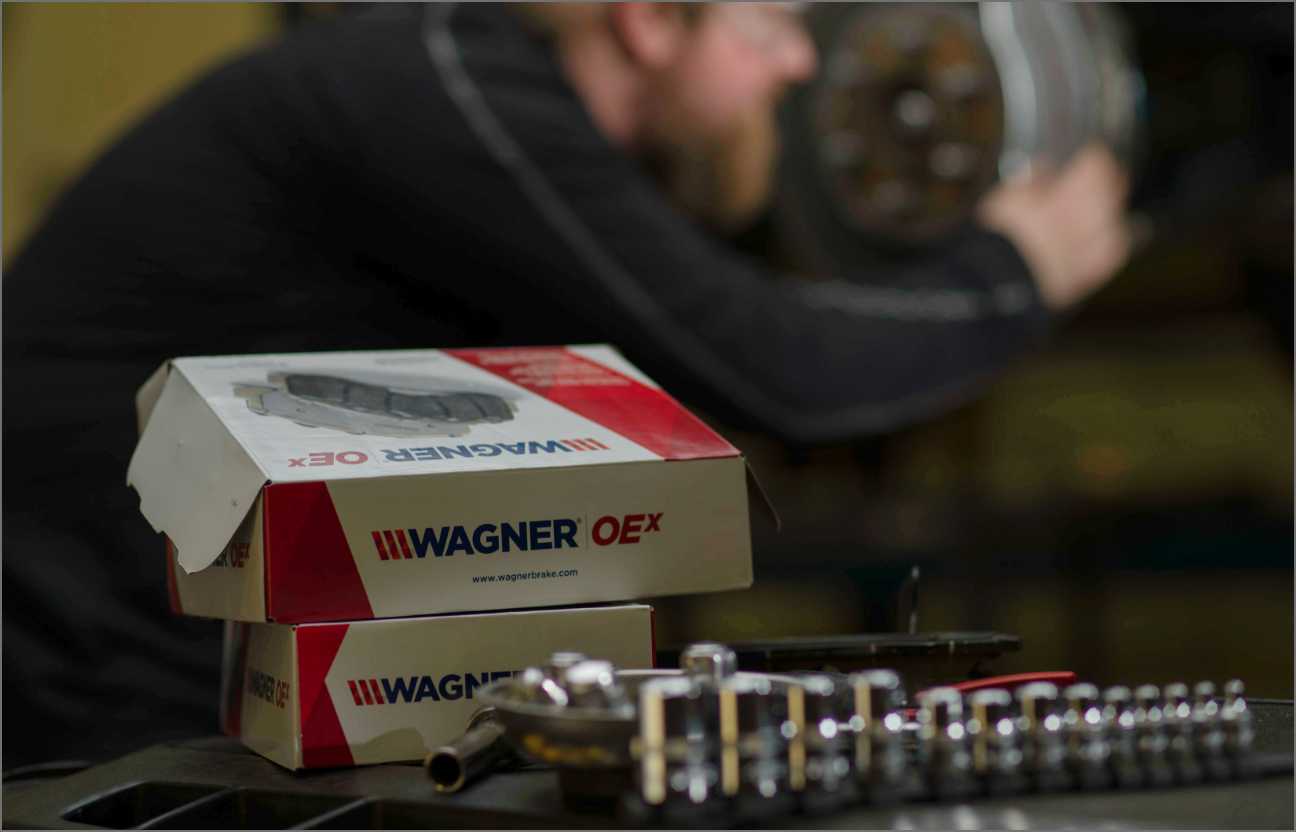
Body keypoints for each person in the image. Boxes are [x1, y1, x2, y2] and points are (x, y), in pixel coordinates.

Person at [2, 2, 1130, 767]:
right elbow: (774, 362)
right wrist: (1011, 274)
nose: (798, 63)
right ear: (649, 20)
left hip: (181, 627)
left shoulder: (476, 88)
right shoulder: (453, 87)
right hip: (89, 639)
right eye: (773, 24)